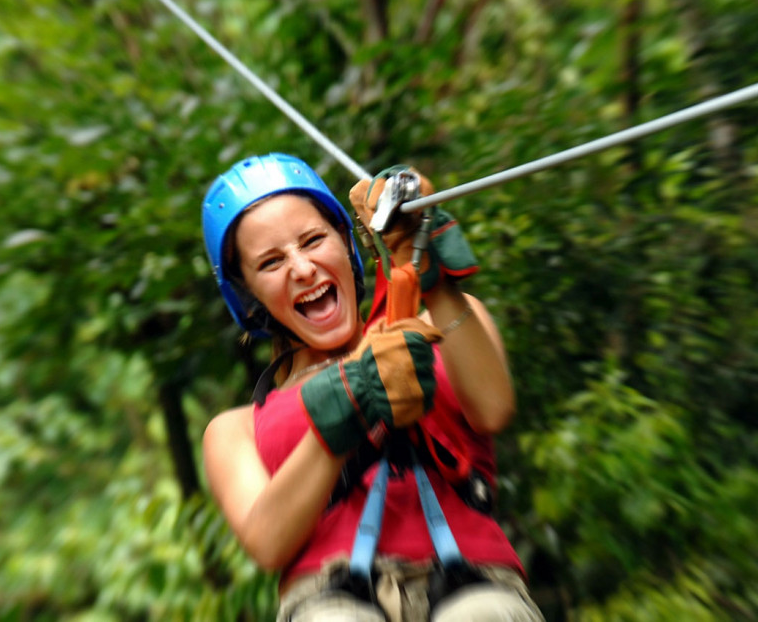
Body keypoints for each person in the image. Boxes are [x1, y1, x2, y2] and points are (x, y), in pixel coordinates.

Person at [201, 153, 543, 621]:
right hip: (329, 598)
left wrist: (431, 274)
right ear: (248, 294)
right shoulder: (236, 429)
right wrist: (346, 406)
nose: (302, 269)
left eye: (313, 240)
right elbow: (268, 540)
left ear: (347, 243)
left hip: (477, 582)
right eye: (271, 262)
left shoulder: (436, 329)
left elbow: (493, 409)